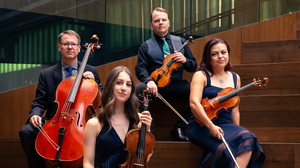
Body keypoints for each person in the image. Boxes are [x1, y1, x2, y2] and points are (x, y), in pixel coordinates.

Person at [19, 30, 103, 168]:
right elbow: (39, 101)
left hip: (79, 122)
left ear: (78, 48)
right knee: (26, 131)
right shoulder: (46, 74)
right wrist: (35, 114)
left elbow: (102, 100)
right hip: (55, 121)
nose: (70, 47)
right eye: (66, 44)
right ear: (59, 47)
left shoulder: (91, 70)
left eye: (73, 44)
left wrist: (94, 84)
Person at [187, 38, 265, 168]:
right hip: (201, 126)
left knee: (247, 139)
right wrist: (211, 126)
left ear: (228, 54)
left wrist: (237, 134)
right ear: (208, 57)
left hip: (224, 125)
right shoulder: (201, 75)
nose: (220, 56)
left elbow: (235, 109)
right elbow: (194, 103)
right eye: (214, 54)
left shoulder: (235, 78)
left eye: (223, 52)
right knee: (224, 150)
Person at [135, 7, 197, 141]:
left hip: (176, 85)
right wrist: (148, 80)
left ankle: (179, 127)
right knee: (138, 88)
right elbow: (140, 68)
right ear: (152, 25)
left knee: (199, 91)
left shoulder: (181, 42)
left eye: (164, 20)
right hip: (155, 86)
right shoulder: (146, 46)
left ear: (169, 22)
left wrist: (185, 60)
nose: (161, 22)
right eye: (157, 20)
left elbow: (193, 66)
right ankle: (148, 129)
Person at [83, 66, 153, 168]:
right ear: (110, 86)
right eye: (119, 82)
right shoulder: (94, 124)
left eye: (128, 84)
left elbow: (144, 159)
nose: (123, 88)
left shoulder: (139, 120)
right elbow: (88, 163)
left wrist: (146, 130)